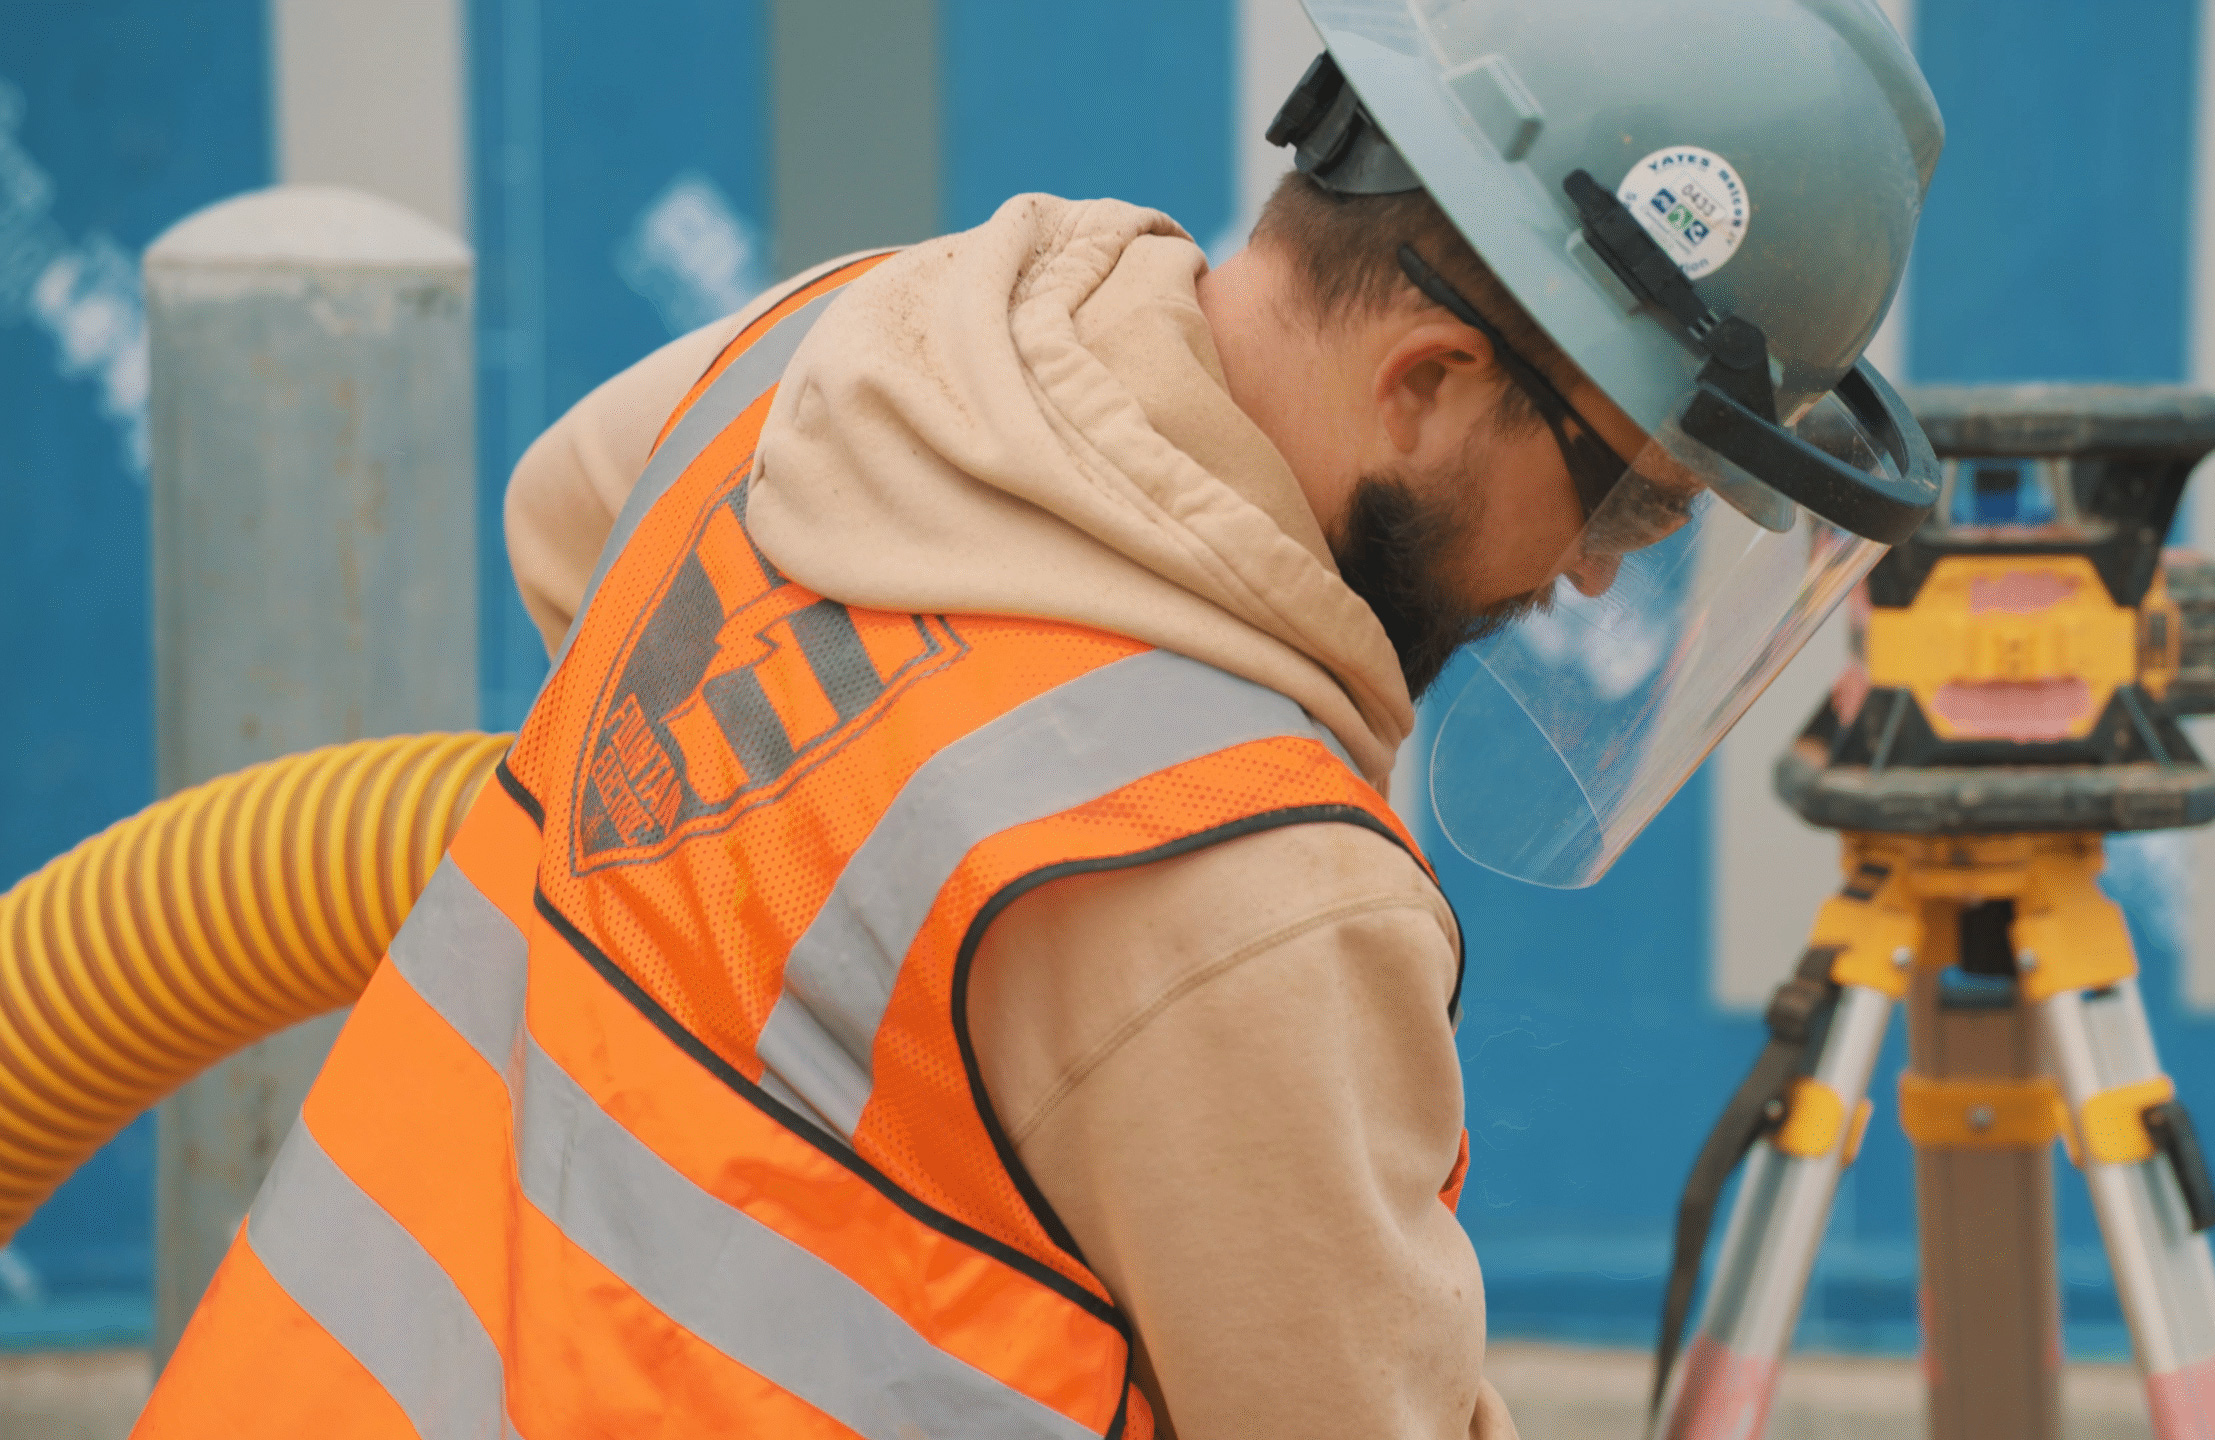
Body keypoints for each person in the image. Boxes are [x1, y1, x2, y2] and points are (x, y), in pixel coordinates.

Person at [137, 2, 1941, 1435]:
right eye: (1634, 501)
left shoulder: (863, 346)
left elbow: (566, 523)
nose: (1611, 579)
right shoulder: (1237, 887)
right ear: (1433, 382)